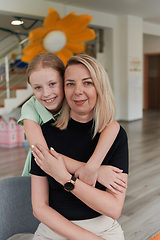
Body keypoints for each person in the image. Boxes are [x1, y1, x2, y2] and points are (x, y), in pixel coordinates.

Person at [30, 54, 129, 240]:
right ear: (63, 88)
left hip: (104, 229)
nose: (78, 91)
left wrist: (65, 178)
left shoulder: (115, 135)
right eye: (70, 83)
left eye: (87, 83)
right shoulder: (45, 133)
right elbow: (39, 207)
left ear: (99, 87)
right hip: (53, 230)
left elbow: (114, 209)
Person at [18, 52, 127, 194]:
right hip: (39, 173)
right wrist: (95, 170)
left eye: (52, 84)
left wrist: (92, 166)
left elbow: (112, 125)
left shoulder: (72, 99)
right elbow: (42, 154)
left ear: (64, 82)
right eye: (38, 87)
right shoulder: (30, 107)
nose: (46, 93)